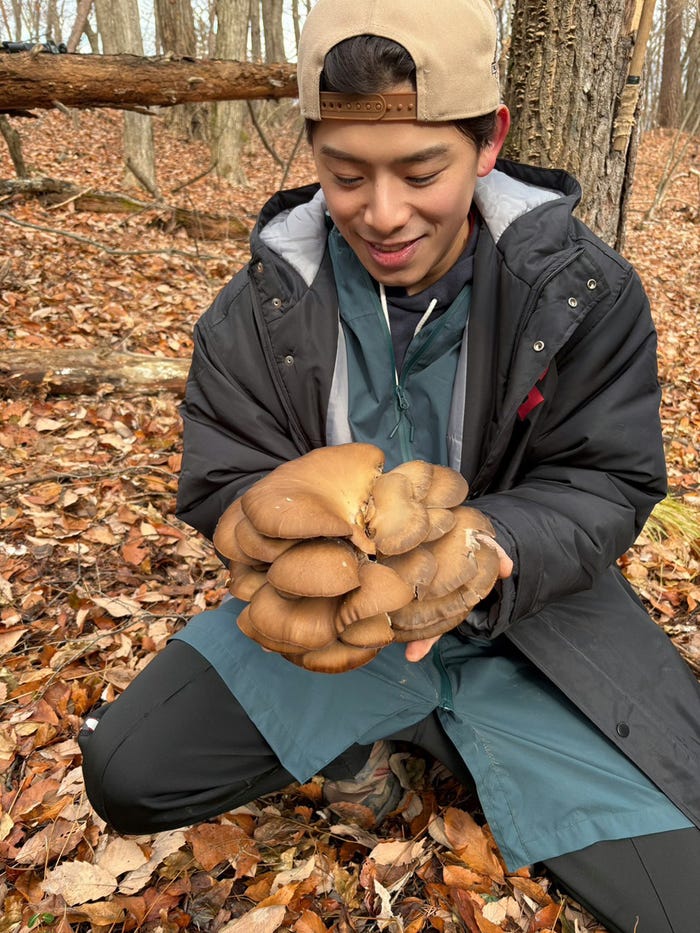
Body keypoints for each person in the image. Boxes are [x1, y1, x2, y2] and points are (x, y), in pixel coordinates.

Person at [79, 1, 700, 929]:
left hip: (529, 623)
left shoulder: (581, 291)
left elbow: (607, 479)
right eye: (345, 173)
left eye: (421, 170)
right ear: (315, 153)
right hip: (332, 633)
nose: (383, 213)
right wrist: (253, 521)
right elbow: (224, 473)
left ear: (488, 141)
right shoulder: (257, 306)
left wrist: (489, 542)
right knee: (129, 768)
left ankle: (454, 731)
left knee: (680, 899)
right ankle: (371, 734)